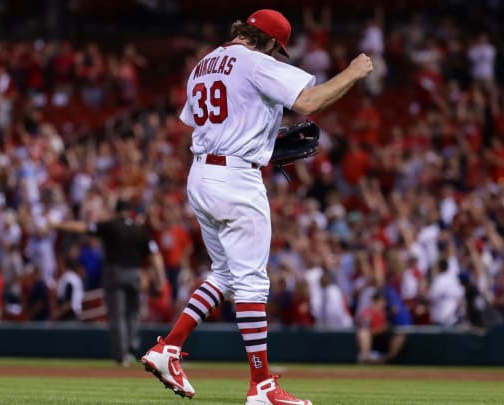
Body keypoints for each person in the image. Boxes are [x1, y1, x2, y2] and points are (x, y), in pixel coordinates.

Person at [140, 9, 373, 405]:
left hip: (201, 174)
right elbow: (309, 102)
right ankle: (262, 385)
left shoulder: (204, 63)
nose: (277, 56)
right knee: (252, 282)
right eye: (277, 49)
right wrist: (352, 71)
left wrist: (259, 137)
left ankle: (168, 348)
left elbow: (198, 122)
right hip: (236, 178)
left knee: (226, 275)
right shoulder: (256, 61)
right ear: (267, 41)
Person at [52, 198, 164, 366]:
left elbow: (84, 227)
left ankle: (121, 355)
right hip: (135, 274)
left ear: (116, 211)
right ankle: (132, 350)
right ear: (130, 212)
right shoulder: (139, 230)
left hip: (115, 273)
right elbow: (155, 255)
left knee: (117, 315)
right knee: (133, 314)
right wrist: (160, 278)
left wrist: (58, 225)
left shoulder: (110, 225)